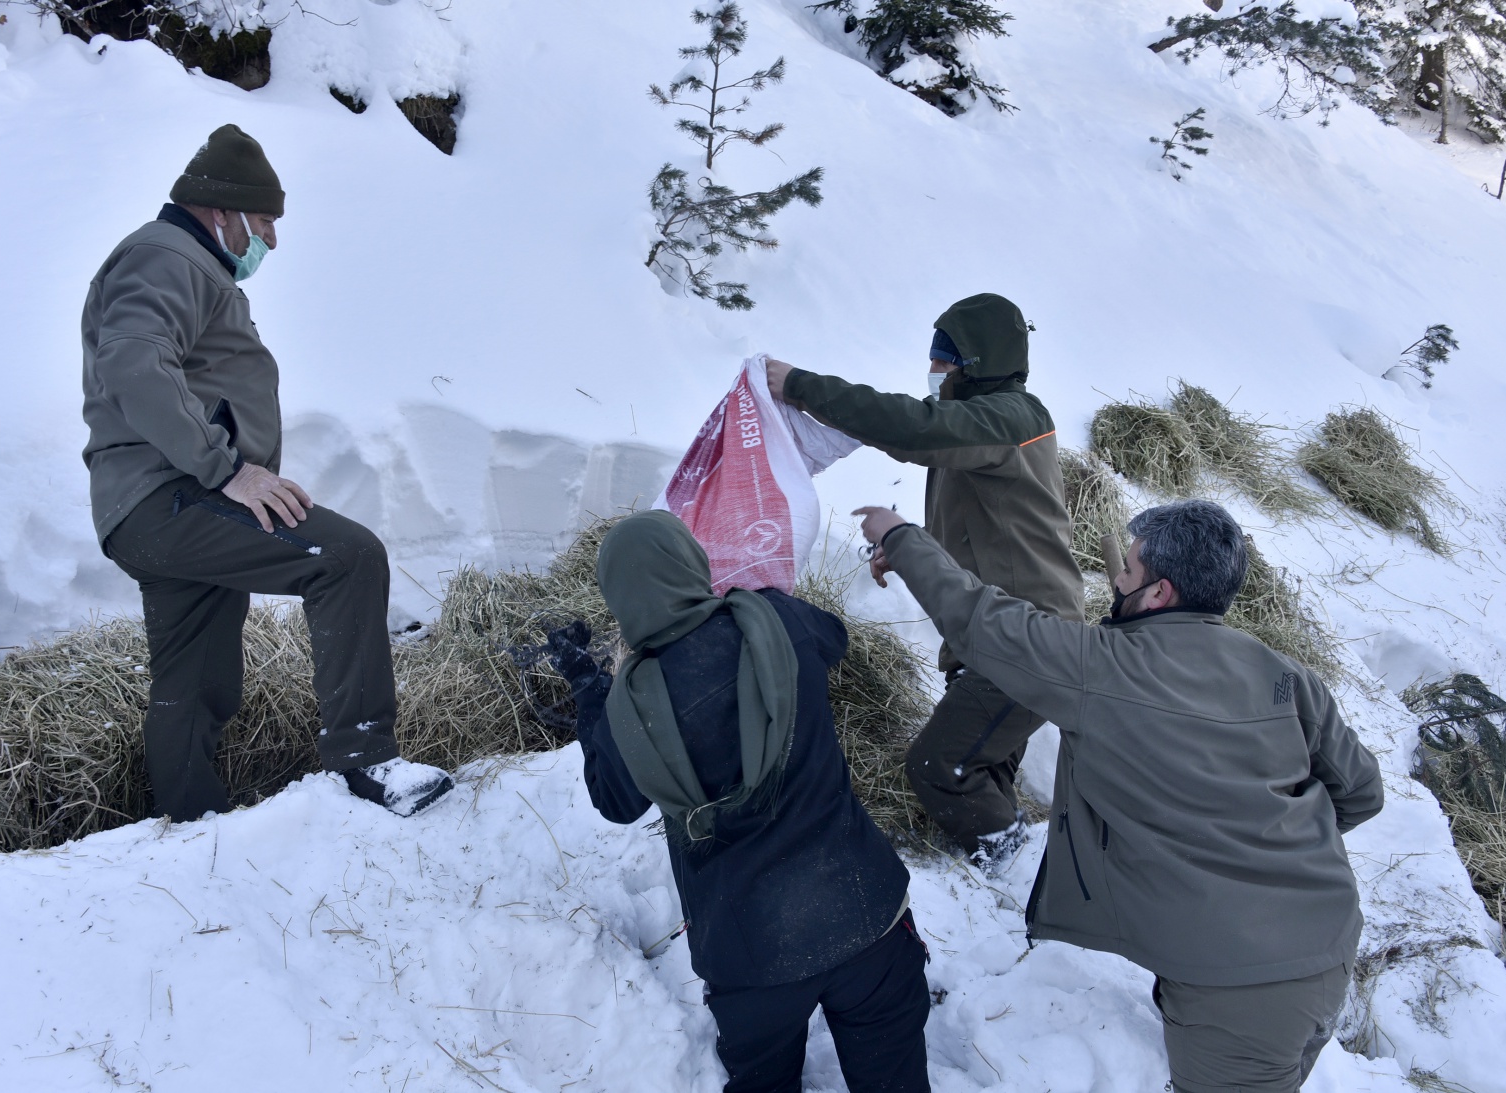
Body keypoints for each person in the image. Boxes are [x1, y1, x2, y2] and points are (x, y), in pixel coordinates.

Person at [851, 499, 1384, 1093]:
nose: (1116, 579)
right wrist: (1270, 837)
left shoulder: (1101, 667)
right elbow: (1360, 792)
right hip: (1330, 938)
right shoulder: (1286, 675)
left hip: (1239, 991)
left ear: (1159, 593)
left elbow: (982, 620)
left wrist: (898, 536)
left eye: (1126, 570)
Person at [81, 124, 453, 822]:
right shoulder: (165, 258)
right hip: (172, 495)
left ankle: (190, 825)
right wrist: (227, 471)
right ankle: (367, 761)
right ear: (220, 211)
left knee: (193, 681)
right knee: (345, 557)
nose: (271, 242)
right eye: (264, 222)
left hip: (150, 508)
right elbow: (134, 363)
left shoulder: (187, 264)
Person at [544, 510, 930, 1093]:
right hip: (868, 916)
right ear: (691, 564)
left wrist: (593, 692)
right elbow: (836, 640)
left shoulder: (633, 709)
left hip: (752, 961)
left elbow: (614, 801)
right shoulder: (775, 622)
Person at [765, 294, 1084, 865]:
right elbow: (982, 528)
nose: (935, 369)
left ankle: (1021, 874)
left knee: (942, 768)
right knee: (979, 768)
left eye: (945, 356)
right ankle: (1014, 883)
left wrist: (801, 386)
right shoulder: (982, 426)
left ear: (976, 360)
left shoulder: (1010, 417)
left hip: (1027, 642)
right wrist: (911, 551)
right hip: (1002, 636)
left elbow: (910, 428)